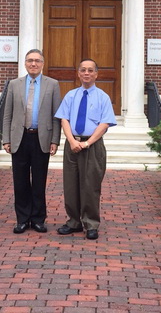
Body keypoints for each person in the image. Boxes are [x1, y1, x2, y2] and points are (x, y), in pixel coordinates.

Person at [55, 58, 117, 240]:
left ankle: (91, 224)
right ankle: (73, 222)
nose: (86, 73)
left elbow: (104, 123)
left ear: (96, 74)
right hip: (72, 145)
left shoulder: (103, 97)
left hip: (93, 146)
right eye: (83, 70)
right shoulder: (71, 96)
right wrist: (71, 141)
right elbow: (64, 119)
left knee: (90, 186)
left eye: (90, 70)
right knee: (71, 185)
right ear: (78, 73)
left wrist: (87, 143)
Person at [2, 49, 61, 234]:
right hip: (19, 138)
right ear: (25, 63)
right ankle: (22, 219)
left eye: (37, 60)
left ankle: (37, 219)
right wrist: (6, 139)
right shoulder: (14, 84)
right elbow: (7, 114)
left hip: (41, 138)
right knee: (20, 182)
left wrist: (55, 140)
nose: (33, 64)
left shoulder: (53, 84)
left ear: (42, 63)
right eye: (30, 60)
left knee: (39, 181)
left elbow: (56, 116)